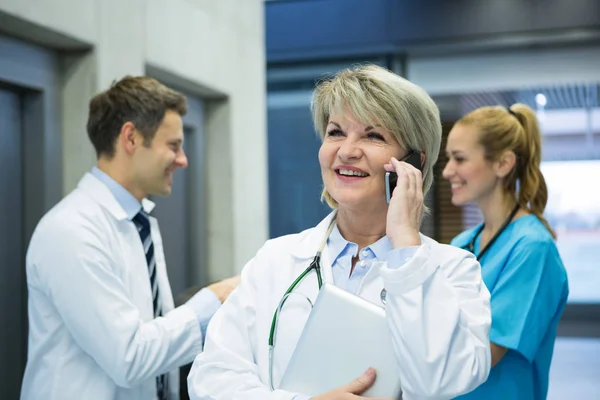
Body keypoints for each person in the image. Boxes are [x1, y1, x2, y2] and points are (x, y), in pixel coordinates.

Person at [187, 64, 492, 400]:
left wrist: (407, 248)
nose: (347, 151)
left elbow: (440, 382)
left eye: (373, 135)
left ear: (413, 164)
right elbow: (211, 377)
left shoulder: (454, 270)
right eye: (335, 132)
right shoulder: (276, 259)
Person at [21, 76, 239, 400]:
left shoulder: (139, 224)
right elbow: (129, 357)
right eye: (174, 145)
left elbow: (152, 342)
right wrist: (213, 299)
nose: (183, 160)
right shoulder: (71, 231)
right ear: (132, 138)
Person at [442, 104, 569, 399]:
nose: (448, 171)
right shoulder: (461, 244)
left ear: (503, 164)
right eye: (448, 158)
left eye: (459, 159)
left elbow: (483, 356)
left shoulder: (533, 249)